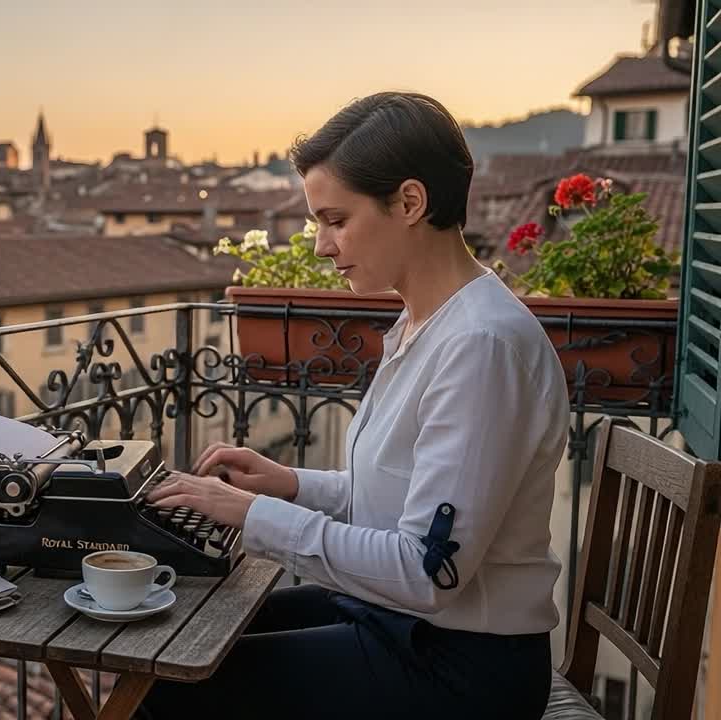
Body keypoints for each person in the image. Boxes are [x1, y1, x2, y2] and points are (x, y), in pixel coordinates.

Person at [138, 92, 568, 719]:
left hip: (461, 670)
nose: (320, 245)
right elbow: (400, 501)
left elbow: (428, 570)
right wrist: (289, 485)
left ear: (410, 203)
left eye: (335, 220)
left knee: (173, 686)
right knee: (185, 631)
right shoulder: (430, 324)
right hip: (410, 626)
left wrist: (252, 514)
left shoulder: (481, 345)